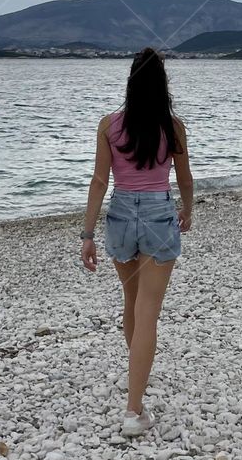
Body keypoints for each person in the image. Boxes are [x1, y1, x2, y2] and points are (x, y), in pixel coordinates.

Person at [79, 47, 193, 435]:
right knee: (148, 311)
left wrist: (87, 234)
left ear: (130, 82)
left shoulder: (109, 124)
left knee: (132, 302)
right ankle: (133, 411)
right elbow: (184, 178)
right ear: (163, 86)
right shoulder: (173, 127)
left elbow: (99, 181)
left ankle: (136, 373)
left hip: (121, 215)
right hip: (160, 215)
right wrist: (188, 211)